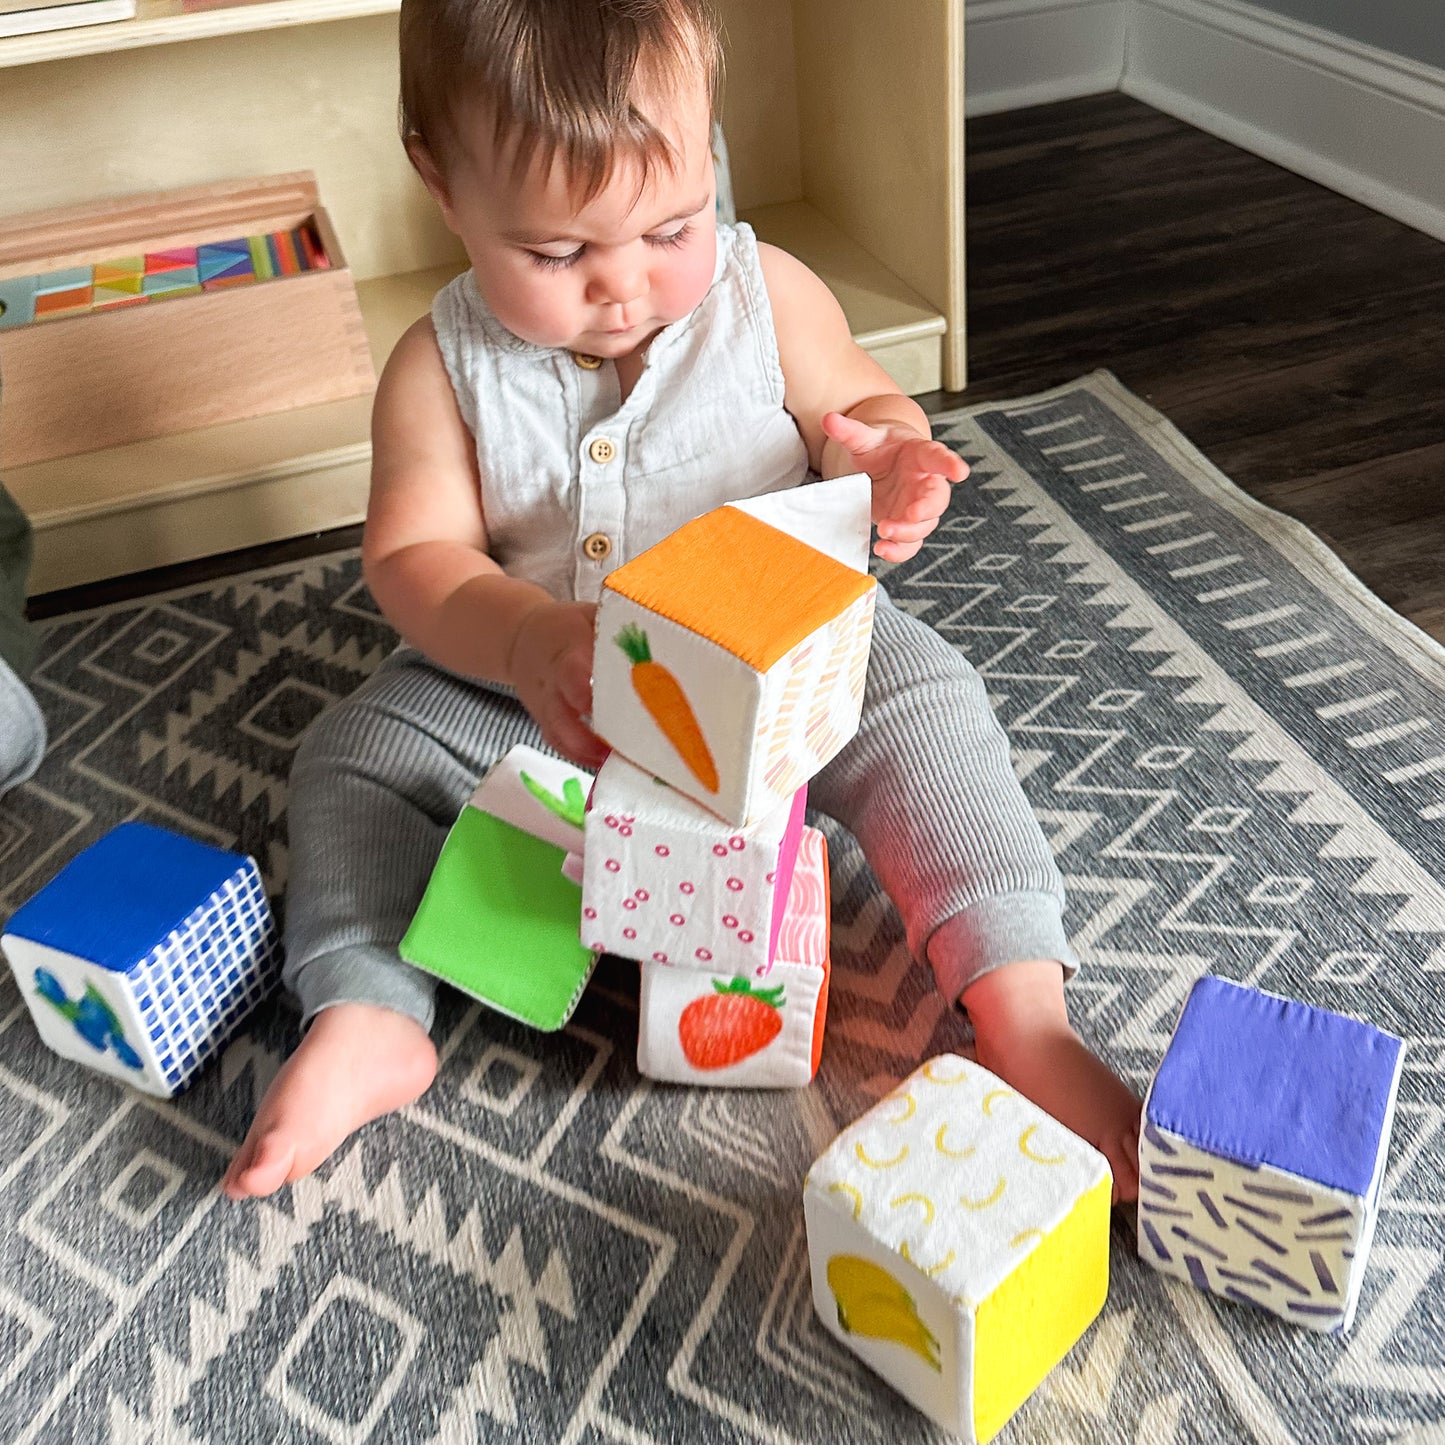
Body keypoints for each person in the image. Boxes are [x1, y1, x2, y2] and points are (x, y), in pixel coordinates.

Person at [222, 0, 1141, 1201]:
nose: (622, 287)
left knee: (927, 696)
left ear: (711, 149)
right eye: (556, 254)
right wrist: (519, 631)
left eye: (672, 224)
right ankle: (367, 1010)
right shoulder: (437, 366)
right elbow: (413, 556)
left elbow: (865, 416)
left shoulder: (769, 296)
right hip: (550, 695)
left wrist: (885, 465)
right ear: (440, 185)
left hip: (778, 679)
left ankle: (1020, 1005)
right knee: (355, 750)